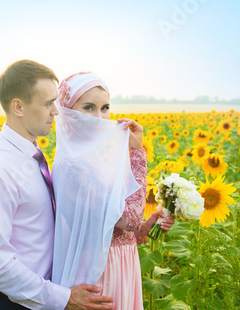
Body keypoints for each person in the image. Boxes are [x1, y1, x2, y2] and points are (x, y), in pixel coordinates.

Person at [0, 60, 114, 310]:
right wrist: (63, 298)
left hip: (35, 298)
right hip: (8, 302)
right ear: (18, 107)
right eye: (47, 103)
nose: (56, 111)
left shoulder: (31, 154)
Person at [51, 72, 175, 310]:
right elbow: (129, 219)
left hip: (120, 264)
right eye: (89, 108)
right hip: (101, 271)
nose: (100, 117)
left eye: (105, 108)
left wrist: (144, 228)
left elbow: (113, 225)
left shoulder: (93, 159)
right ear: (67, 112)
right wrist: (138, 153)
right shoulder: (76, 167)